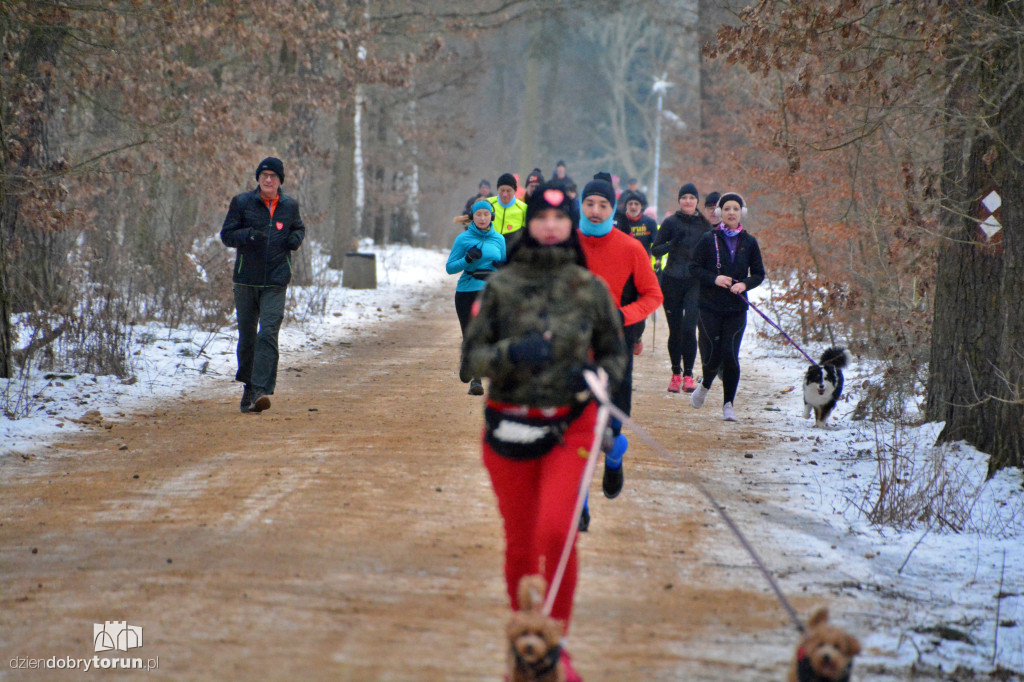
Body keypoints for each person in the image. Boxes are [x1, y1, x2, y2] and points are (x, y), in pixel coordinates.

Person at [462, 182, 628, 682]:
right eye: (541, 217)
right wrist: (511, 354)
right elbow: (470, 359)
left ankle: (556, 645)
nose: (551, 225)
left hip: (570, 426)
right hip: (508, 429)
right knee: (520, 541)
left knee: (557, 532)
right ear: (530, 224)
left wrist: (597, 376)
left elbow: (616, 353)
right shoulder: (501, 286)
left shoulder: (589, 287)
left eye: (561, 217)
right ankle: (523, 646)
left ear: (569, 224)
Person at [577, 173, 663, 511]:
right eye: (589, 204)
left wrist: (621, 316)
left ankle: (614, 456)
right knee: (577, 432)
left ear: (612, 209)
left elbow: (653, 295)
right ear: (581, 206)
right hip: (572, 352)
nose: (595, 211)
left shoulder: (631, 248)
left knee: (609, 432)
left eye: (602, 205)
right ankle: (579, 505)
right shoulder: (565, 244)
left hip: (614, 352)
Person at [220, 156, 305, 413]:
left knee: (268, 333)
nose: (268, 180)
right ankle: (248, 388)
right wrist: (248, 235)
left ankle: (258, 390)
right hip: (246, 280)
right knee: (247, 337)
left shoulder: (290, 206)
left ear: (280, 181)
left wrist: (295, 238)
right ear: (258, 178)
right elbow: (227, 235)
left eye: (273, 176)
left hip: (276, 281)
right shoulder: (242, 203)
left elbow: (299, 228)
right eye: (264, 175)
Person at [689, 192, 765, 421]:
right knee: (713, 352)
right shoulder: (708, 238)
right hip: (709, 306)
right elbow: (694, 268)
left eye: (735, 208)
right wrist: (715, 279)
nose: (731, 212)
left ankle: (728, 404)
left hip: (736, 308)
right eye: (727, 208)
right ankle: (705, 385)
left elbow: (759, 274)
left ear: (742, 212)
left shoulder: (750, 242)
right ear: (720, 213)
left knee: (730, 355)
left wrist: (744, 284)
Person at [651, 183, 714, 394]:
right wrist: (671, 244)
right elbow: (656, 249)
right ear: (679, 200)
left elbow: (713, 254)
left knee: (689, 328)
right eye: (684, 197)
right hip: (672, 280)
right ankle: (676, 374)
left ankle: (688, 375)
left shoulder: (705, 225)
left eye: (691, 197)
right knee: (675, 330)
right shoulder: (670, 222)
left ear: (697, 201)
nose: (688, 201)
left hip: (695, 282)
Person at [447, 200, 507, 395]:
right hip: (466, 292)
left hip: (490, 292)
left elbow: (505, 268)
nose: (482, 218)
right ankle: (472, 371)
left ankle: (477, 376)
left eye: (486, 214)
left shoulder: (499, 239)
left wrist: (501, 269)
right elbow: (449, 268)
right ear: (473, 217)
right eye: (478, 214)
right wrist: (467, 260)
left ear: (492, 216)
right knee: (470, 334)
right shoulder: (463, 240)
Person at [614, 190, 659, 355]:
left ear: (641, 207)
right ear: (626, 206)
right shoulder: (619, 220)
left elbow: (657, 244)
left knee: (640, 312)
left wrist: (658, 258)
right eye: (630, 204)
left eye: (636, 204)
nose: (633, 207)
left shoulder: (649, 223)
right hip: (622, 273)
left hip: (642, 272)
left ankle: (637, 337)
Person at [486, 172, 528, 245]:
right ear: (497, 190)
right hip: (491, 250)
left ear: (515, 191)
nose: (505, 194)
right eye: (502, 190)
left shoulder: (523, 209)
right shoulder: (487, 204)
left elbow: (528, 235)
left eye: (509, 191)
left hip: (513, 252)